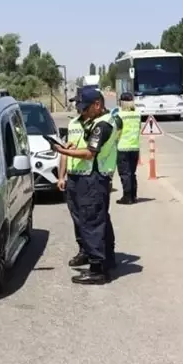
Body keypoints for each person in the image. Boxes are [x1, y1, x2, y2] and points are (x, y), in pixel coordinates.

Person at [55, 86, 120, 285]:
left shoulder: (103, 125)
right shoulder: (89, 122)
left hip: (93, 178)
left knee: (92, 222)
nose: (81, 111)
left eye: (85, 107)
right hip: (83, 178)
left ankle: (98, 269)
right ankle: (104, 259)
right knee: (93, 220)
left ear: (97, 105)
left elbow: (90, 153)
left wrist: (62, 151)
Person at [114, 93, 142, 204]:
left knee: (125, 173)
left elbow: (117, 131)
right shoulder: (138, 114)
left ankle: (127, 197)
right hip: (135, 148)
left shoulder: (119, 115)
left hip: (123, 147)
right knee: (132, 173)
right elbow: (138, 127)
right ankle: (134, 196)